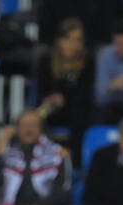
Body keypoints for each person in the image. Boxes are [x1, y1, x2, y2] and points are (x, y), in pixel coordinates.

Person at [0, 110, 71, 205]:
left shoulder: (57, 155)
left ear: (41, 129)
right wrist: (2, 141)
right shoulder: (8, 154)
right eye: (24, 125)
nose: (28, 129)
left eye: (33, 125)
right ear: (17, 129)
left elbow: (62, 193)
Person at [37, 18, 96, 147]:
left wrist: (64, 100)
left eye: (78, 40)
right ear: (60, 41)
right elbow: (41, 91)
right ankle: (42, 154)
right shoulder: (46, 61)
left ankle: (74, 156)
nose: (74, 44)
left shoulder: (88, 62)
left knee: (80, 116)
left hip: (77, 109)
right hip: (50, 108)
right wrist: (50, 100)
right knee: (38, 115)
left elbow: (86, 94)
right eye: (69, 39)